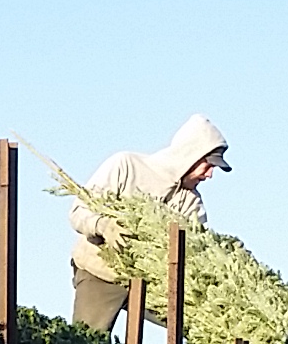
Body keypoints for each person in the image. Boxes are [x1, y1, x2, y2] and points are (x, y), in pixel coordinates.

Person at [66, 115, 229, 331]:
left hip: (150, 282)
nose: (209, 175)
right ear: (191, 155)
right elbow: (78, 212)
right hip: (101, 272)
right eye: (208, 166)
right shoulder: (126, 166)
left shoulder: (192, 204)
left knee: (195, 324)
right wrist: (103, 226)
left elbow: (195, 251)